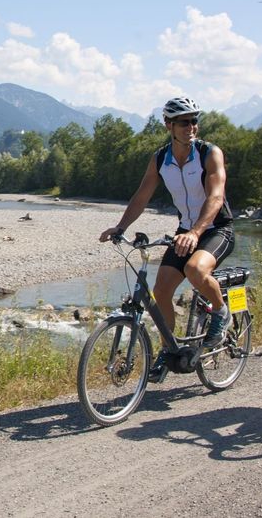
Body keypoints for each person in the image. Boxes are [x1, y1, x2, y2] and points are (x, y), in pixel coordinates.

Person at [99, 96, 235, 383]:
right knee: (160, 292)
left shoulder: (209, 153)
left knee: (196, 270)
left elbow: (216, 197)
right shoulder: (161, 159)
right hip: (184, 231)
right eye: (184, 122)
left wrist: (196, 232)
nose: (191, 127)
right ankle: (169, 349)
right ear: (169, 126)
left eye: (194, 120)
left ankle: (222, 313)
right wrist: (120, 227)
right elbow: (142, 195)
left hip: (215, 229)